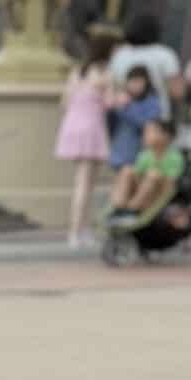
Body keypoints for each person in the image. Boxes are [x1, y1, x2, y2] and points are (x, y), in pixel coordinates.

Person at [101, 115, 191, 262]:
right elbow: (136, 177)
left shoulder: (174, 157)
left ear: (166, 136)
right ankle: (119, 207)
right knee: (127, 170)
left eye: (151, 132)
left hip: (159, 197)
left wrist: (153, 176)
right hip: (142, 192)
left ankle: (132, 209)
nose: (145, 135)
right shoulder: (145, 156)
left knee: (153, 175)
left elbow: (170, 184)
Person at [53, 36, 112, 252]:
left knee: (83, 182)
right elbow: (109, 102)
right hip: (92, 127)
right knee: (86, 183)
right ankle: (76, 232)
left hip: (72, 126)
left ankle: (81, 230)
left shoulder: (77, 72)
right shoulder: (104, 74)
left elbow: (64, 102)